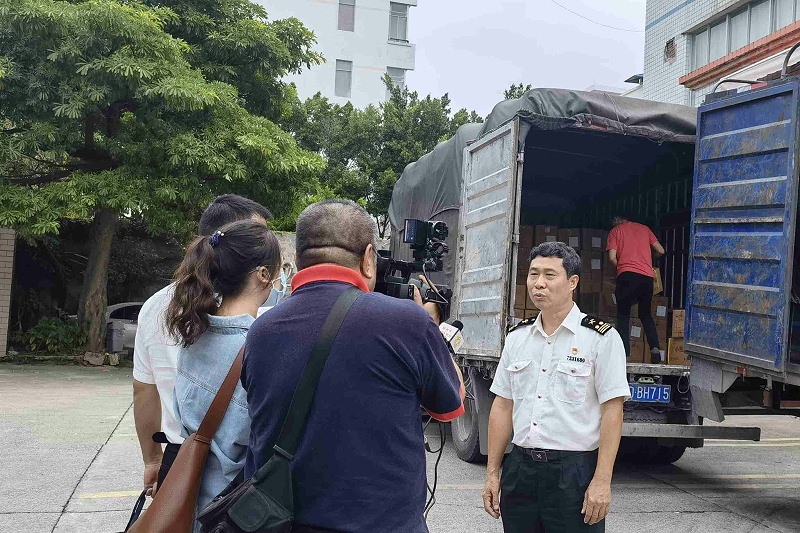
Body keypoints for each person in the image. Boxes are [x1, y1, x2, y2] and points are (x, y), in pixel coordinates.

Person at [242, 199, 465, 533]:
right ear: (369, 258)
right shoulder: (407, 321)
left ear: (300, 257)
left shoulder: (261, 331)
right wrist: (430, 327)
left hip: (284, 523)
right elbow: (451, 405)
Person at [482, 241, 630, 532]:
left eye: (550, 275)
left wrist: (602, 480)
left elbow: (613, 411)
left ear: (572, 282)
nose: (539, 284)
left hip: (572, 474)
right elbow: (502, 406)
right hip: (521, 470)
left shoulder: (600, 338)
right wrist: (492, 473)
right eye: (533, 274)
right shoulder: (517, 338)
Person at [132, 194, 273, 495]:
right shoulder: (249, 315)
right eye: (257, 235)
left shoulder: (155, 306)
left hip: (179, 459)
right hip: (237, 473)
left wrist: (152, 460)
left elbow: (144, 388)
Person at [166, 219, 282, 530]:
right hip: (230, 515)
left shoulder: (194, 334)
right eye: (279, 270)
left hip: (190, 507)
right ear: (263, 274)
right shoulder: (257, 348)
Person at [606, 214, 665, 363]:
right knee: (645, 314)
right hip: (646, 277)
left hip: (627, 276)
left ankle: (625, 355)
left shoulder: (616, 231)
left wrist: (621, 267)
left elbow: (612, 257)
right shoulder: (645, 229)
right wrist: (649, 260)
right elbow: (661, 250)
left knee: (623, 316)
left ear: (618, 220)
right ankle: (655, 349)